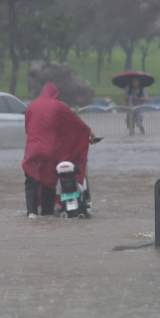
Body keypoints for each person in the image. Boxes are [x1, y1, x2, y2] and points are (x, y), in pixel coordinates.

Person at [22, 83, 100, 218]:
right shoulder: (58, 106)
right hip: (50, 152)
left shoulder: (31, 106)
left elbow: (28, 129)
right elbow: (77, 123)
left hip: (32, 150)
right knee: (49, 182)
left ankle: (32, 213)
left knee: (31, 182)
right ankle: (47, 214)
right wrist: (93, 136)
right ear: (55, 95)